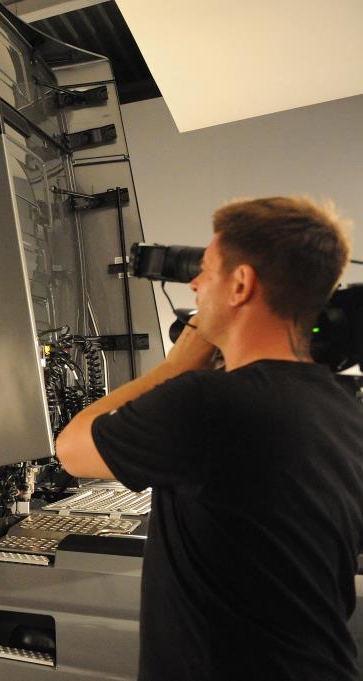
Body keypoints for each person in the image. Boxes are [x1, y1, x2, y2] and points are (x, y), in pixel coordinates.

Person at [56, 197, 363, 681]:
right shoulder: (344, 408)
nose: (196, 285)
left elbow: (71, 449)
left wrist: (176, 366)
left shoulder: (204, 403)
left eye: (207, 270)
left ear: (240, 284)